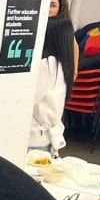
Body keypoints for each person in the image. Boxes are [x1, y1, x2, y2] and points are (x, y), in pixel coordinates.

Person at [28, 16, 76, 156]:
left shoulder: (46, 65)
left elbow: (30, 99)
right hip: (49, 138)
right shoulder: (64, 66)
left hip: (34, 137)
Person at [50, 0, 79, 76]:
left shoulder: (63, 27)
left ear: (60, 8)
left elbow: (74, 46)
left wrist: (74, 73)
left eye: (53, 5)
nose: (48, 9)